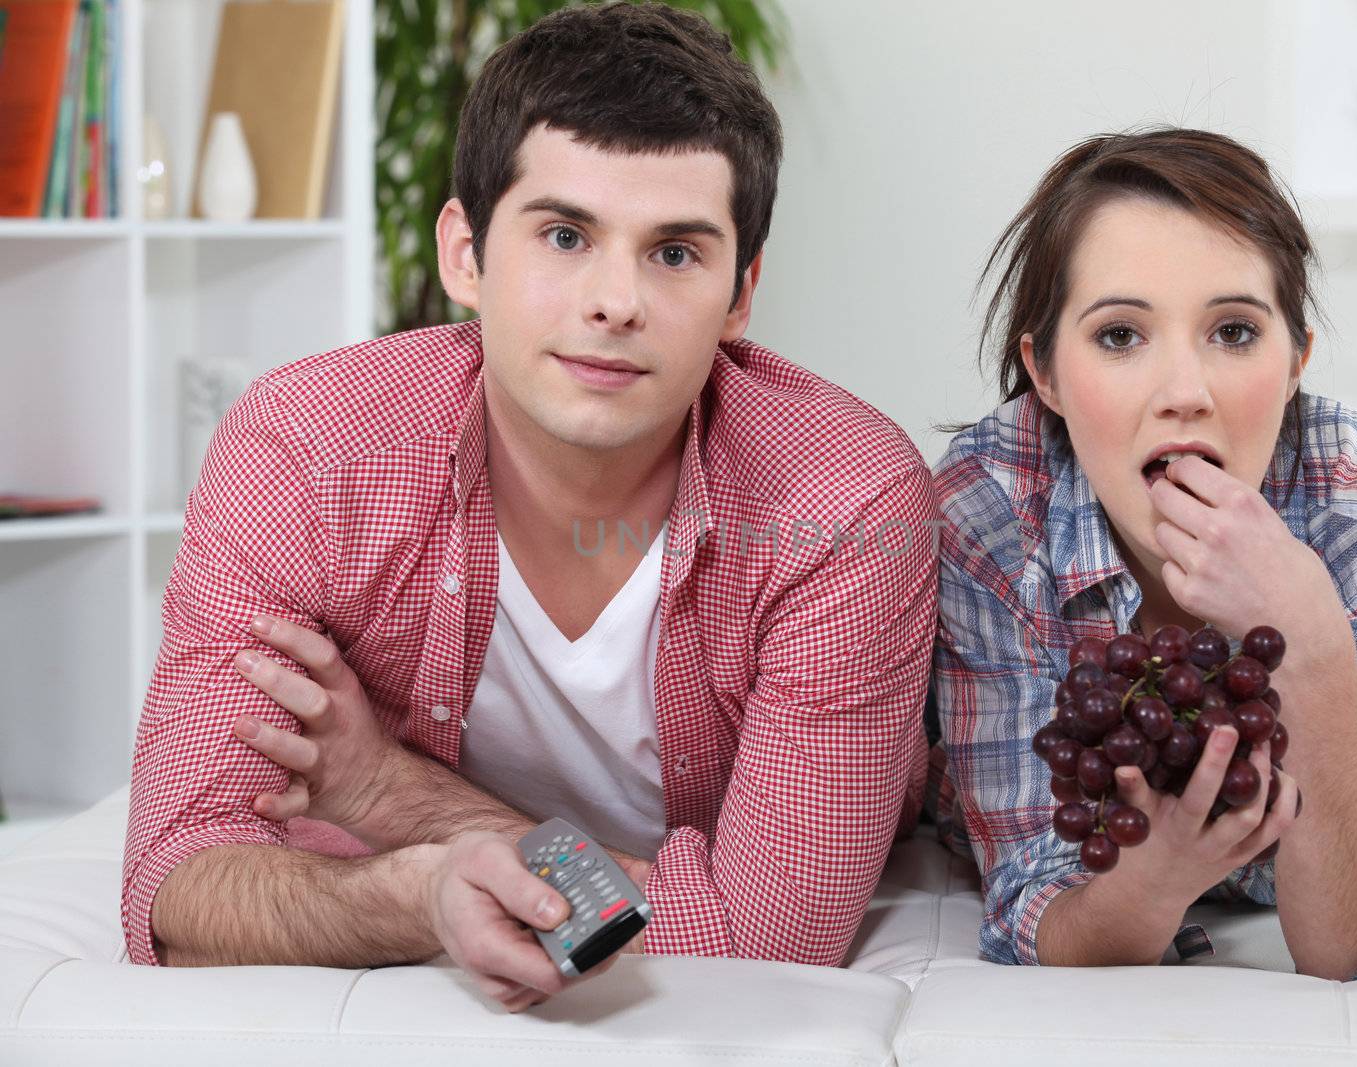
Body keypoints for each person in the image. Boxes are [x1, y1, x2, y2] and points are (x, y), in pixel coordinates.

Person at [124, 2, 938, 1011]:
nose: (615, 301)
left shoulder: (845, 500)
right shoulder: (307, 450)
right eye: (564, 234)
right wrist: (419, 898)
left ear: (740, 293)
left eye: (675, 252)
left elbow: (767, 937)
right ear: (464, 255)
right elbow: (176, 880)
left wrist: (392, 795)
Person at [929, 127, 1357, 980]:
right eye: (1119, 336)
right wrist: (1156, 880)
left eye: (1233, 331)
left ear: (1296, 358)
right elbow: (1038, 905)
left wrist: (1310, 637)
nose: (1186, 394)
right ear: (1047, 375)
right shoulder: (987, 510)